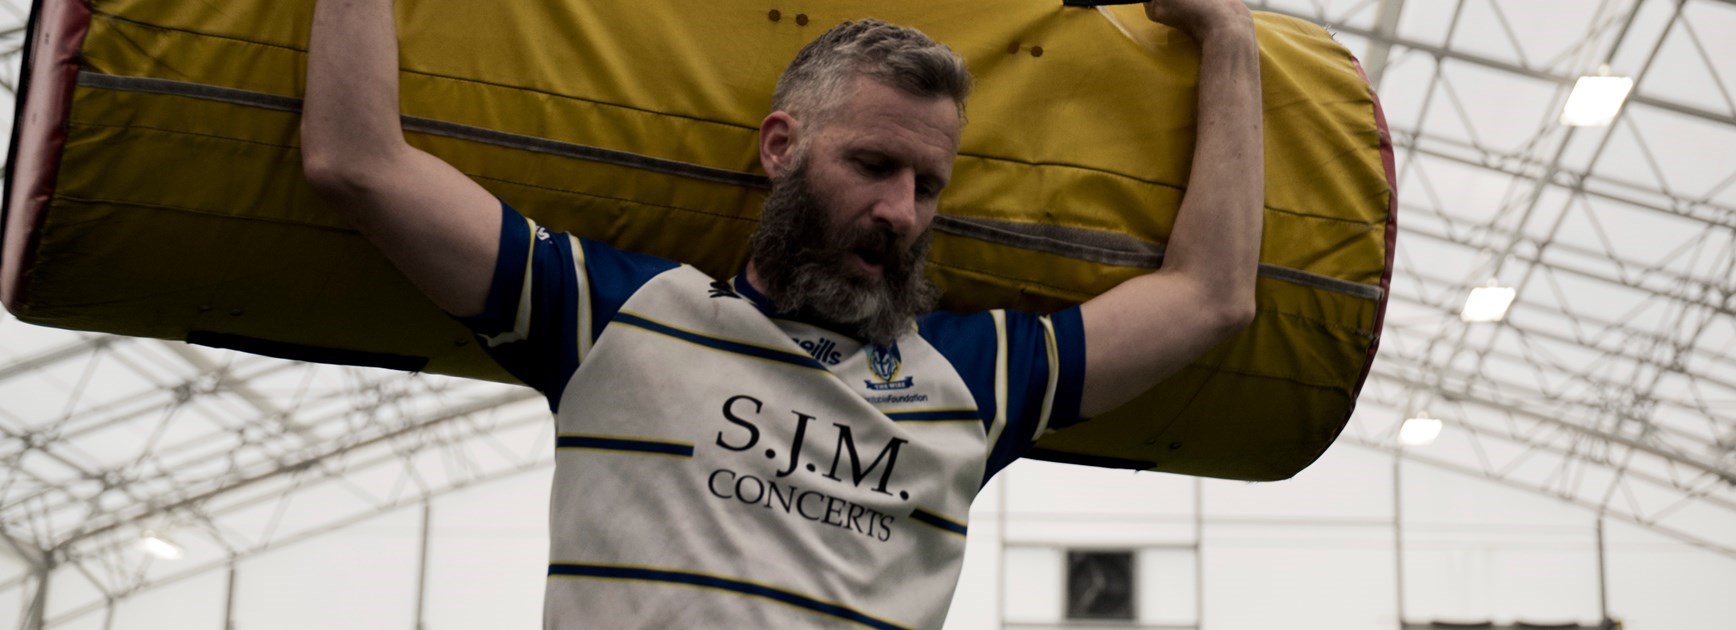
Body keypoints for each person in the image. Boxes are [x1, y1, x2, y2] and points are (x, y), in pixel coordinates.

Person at [301, 0, 1262, 627]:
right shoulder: (616, 315)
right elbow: (356, 162)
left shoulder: (977, 380)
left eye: (928, 185)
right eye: (872, 165)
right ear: (780, 147)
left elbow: (1211, 296)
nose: (900, 212)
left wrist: (1229, 36)